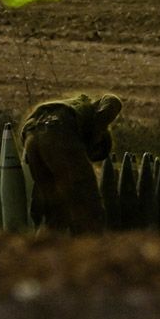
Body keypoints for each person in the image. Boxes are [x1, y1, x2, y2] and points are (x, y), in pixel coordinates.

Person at [20, 93, 123, 234]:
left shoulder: (78, 112)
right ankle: (91, 249)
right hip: (58, 128)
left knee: (54, 212)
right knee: (89, 203)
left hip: (30, 135)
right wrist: (98, 128)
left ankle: (43, 250)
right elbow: (113, 100)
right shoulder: (93, 115)